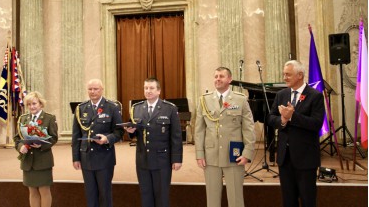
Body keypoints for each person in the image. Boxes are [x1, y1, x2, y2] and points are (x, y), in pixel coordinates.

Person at [194, 67, 256, 207]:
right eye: (215, 76)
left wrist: (247, 153)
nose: (217, 79)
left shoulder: (240, 100)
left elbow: (248, 128)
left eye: (221, 76)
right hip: (211, 155)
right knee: (212, 198)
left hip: (234, 155)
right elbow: (199, 130)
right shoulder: (204, 100)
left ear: (229, 79)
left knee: (236, 199)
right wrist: (199, 154)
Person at [268, 60, 325, 207]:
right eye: (284, 74)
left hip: (305, 158)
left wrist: (293, 116)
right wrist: (283, 120)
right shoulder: (281, 94)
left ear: (300, 75)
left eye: (288, 74)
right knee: (288, 201)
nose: (284, 77)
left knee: (307, 200)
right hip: (285, 158)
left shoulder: (315, 96)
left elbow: (316, 124)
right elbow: (271, 117)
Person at [124, 77, 183, 207]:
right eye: (146, 88)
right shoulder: (136, 108)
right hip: (142, 159)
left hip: (162, 159)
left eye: (151, 88)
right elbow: (133, 133)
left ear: (158, 91)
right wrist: (130, 130)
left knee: (161, 195)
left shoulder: (169, 109)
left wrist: (177, 159)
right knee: (145, 194)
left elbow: (176, 136)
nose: (148, 91)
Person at [72, 79, 124, 207]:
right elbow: (76, 135)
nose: (93, 92)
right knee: (90, 194)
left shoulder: (111, 107)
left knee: (105, 194)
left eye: (96, 89)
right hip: (86, 157)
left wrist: (107, 139)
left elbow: (119, 132)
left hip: (104, 157)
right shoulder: (81, 108)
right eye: (90, 89)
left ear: (102, 90)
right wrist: (76, 158)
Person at [14, 91, 58, 207]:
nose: (31, 107)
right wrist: (20, 147)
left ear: (40, 104)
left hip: (43, 160)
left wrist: (42, 145)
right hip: (28, 161)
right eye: (28, 104)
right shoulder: (22, 119)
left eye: (34, 104)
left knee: (44, 190)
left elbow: (54, 138)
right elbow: (17, 138)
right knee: (32, 191)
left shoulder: (49, 118)